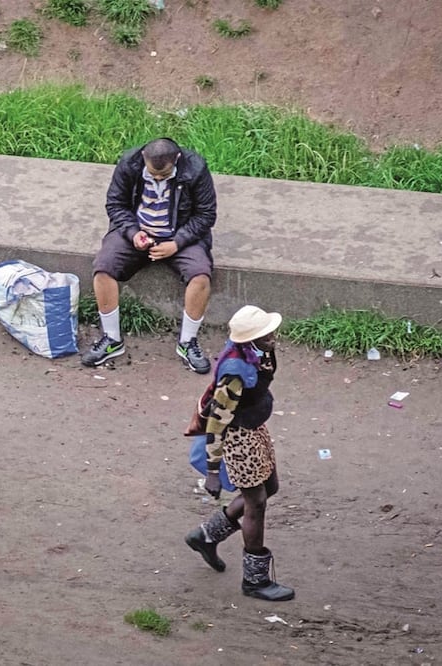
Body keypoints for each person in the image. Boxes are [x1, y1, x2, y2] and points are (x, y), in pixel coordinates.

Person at [184, 305, 294, 601]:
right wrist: (212, 470)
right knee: (256, 503)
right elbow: (217, 421)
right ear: (250, 340)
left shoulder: (255, 352)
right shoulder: (234, 373)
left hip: (253, 428)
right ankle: (255, 580)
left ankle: (206, 536)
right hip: (238, 438)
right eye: (265, 334)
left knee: (269, 487)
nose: (272, 336)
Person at [81, 137, 217, 374]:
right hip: (136, 231)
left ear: (177, 159)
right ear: (143, 156)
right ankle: (111, 339)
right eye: (153, 174)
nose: (157, 179)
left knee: (201, 276)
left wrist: (177, 243)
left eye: (163, 176)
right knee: (103, 268)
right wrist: (134, 233)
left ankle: (187, 342)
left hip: (180, 234)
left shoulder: (196, 169)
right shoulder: (128, 164)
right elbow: (115, 205)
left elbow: (206, 215)